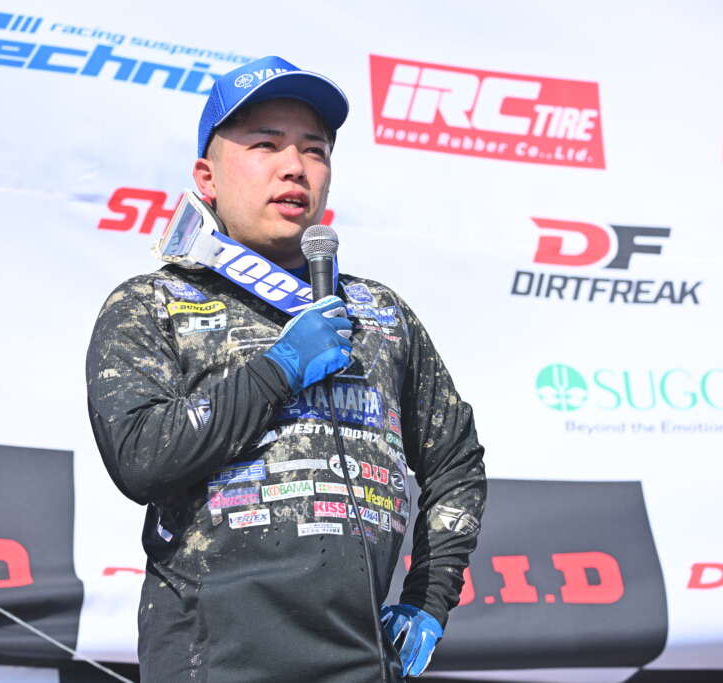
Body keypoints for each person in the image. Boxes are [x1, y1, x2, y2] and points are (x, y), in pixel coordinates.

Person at [86, 55, 486, 682]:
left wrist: (429, 597)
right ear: (207, 176)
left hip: (363, 664)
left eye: (314, 150)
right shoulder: (153, 303)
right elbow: (140, 458)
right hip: (211, 663)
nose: (294, 166)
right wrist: (279, 368)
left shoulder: (380, 313)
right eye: (265, 145)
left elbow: (455, 461)